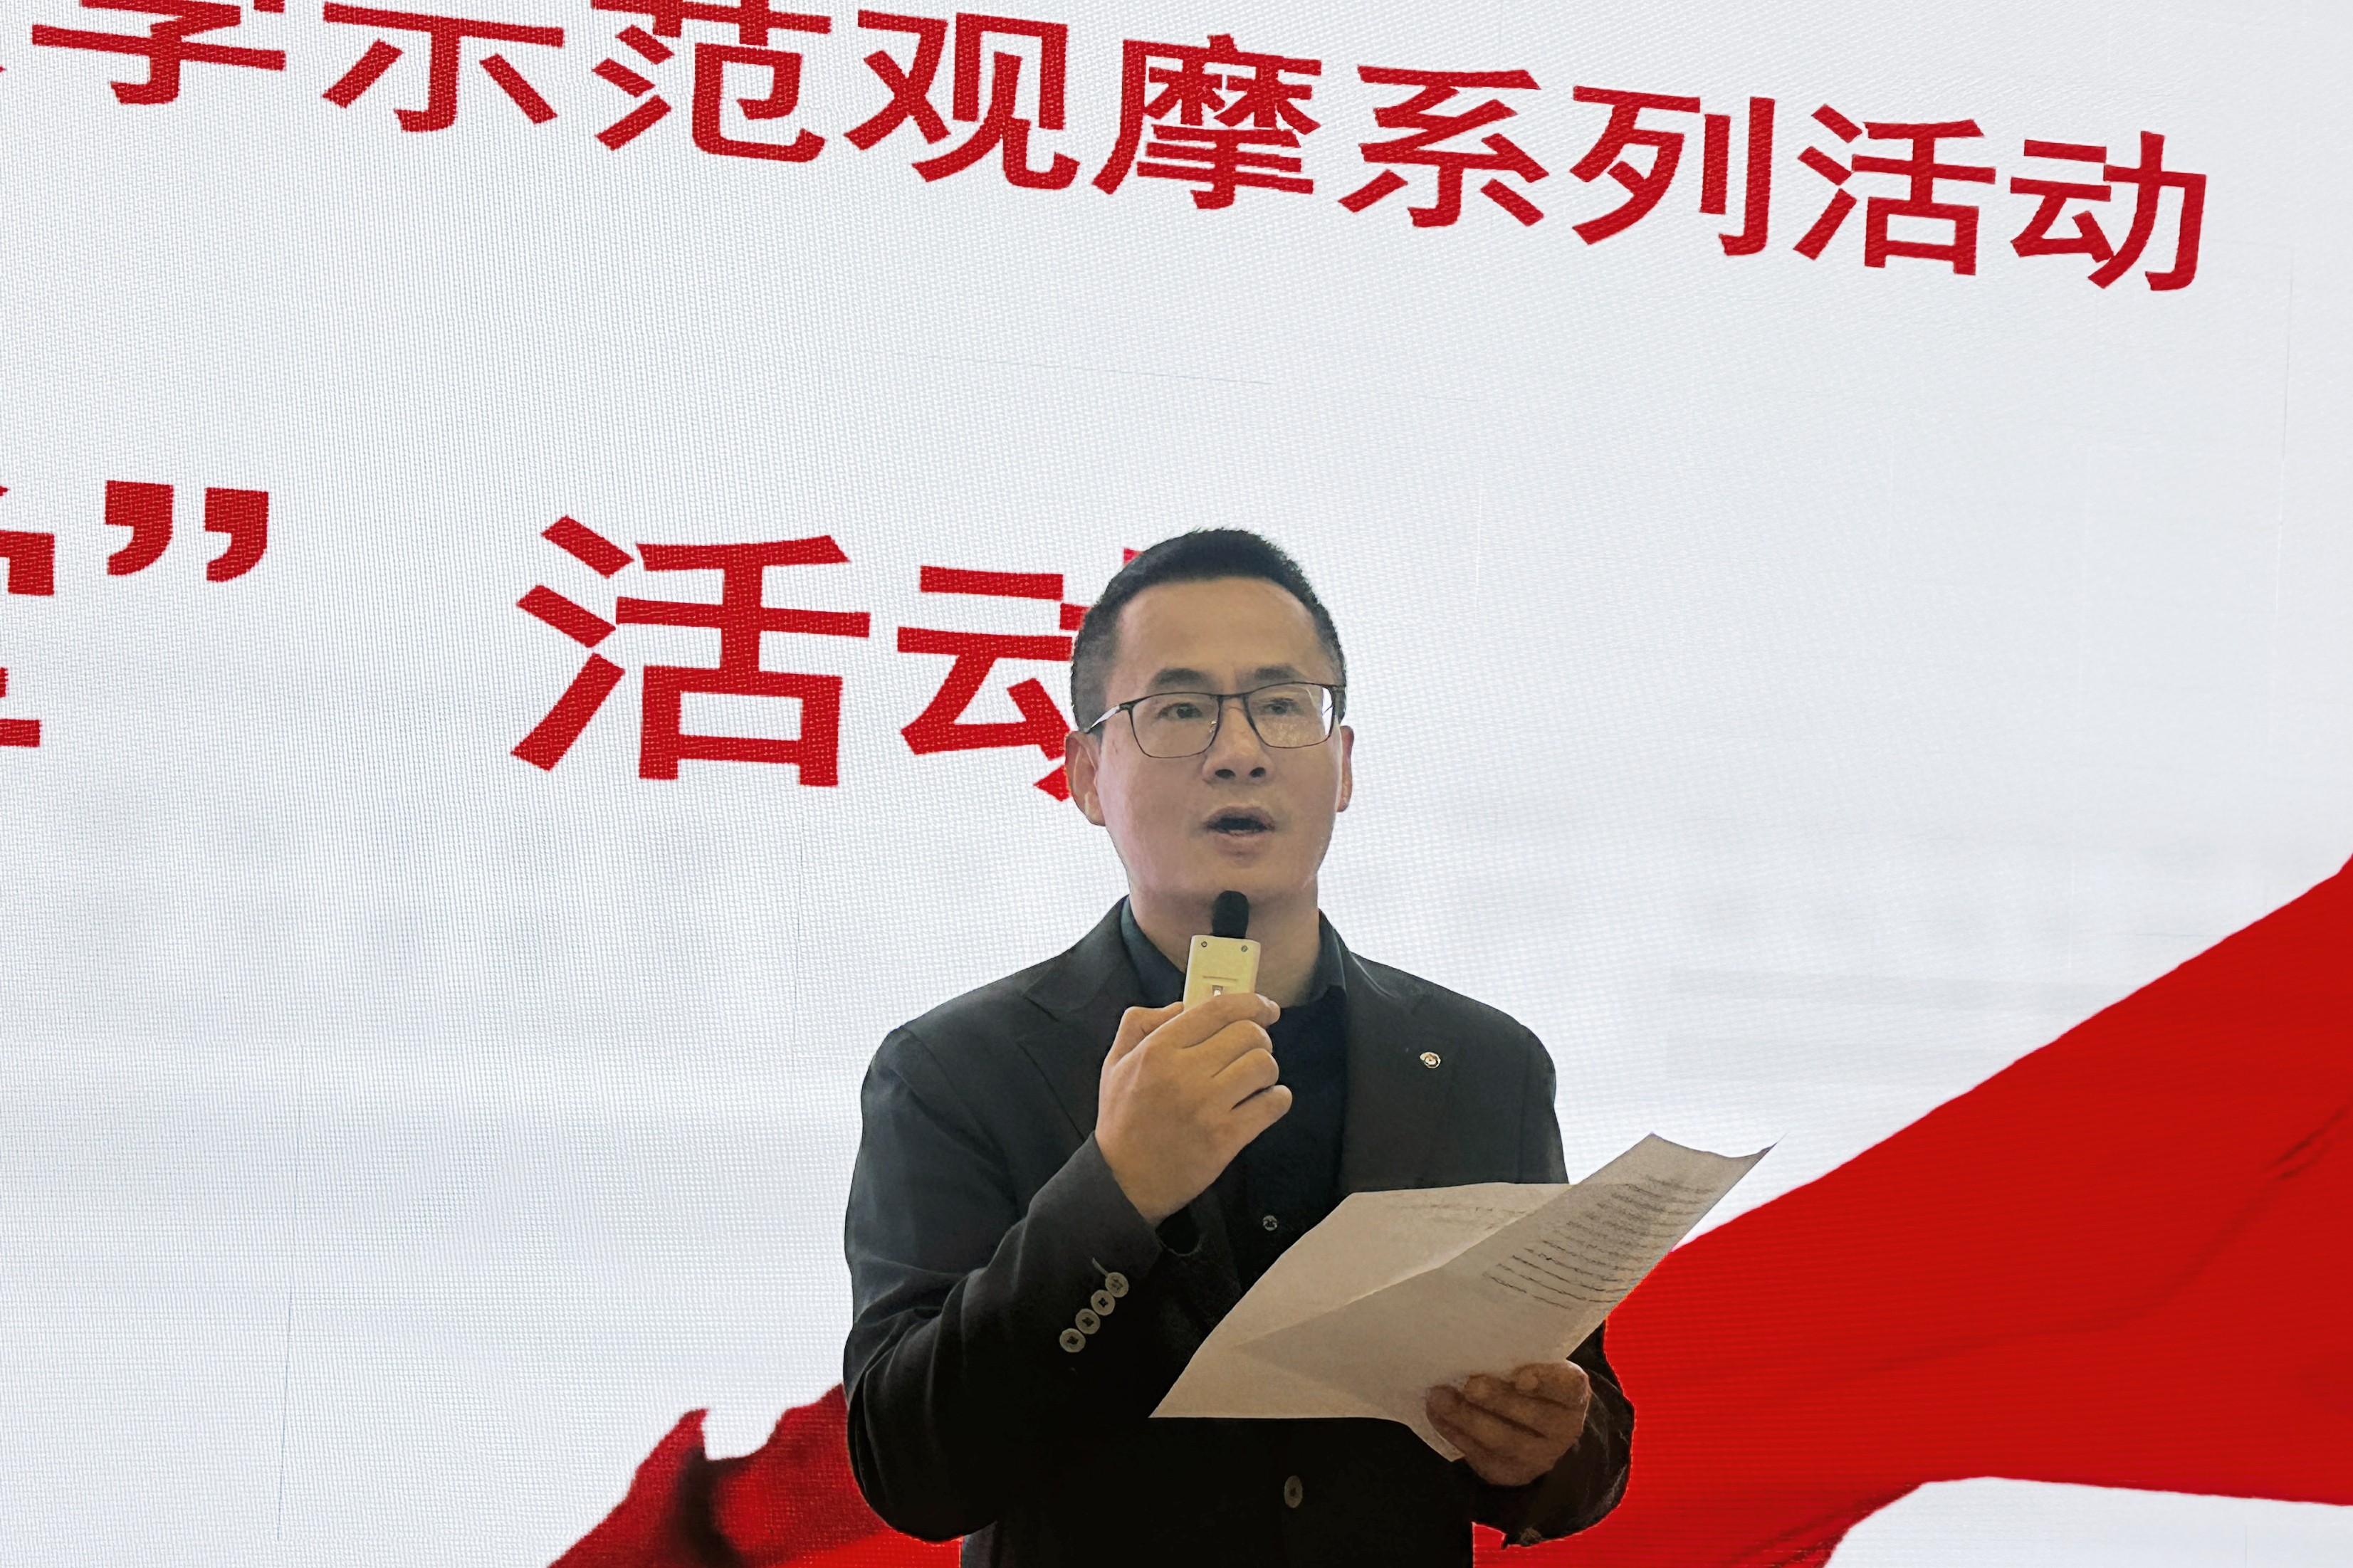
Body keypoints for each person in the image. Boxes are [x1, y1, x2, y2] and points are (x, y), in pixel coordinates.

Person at [842, 530, 1632, 1566]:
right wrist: (1115, 1191)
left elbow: (1586, 1447)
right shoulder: (954, 1069)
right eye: (1179, 711)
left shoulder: (1484, 1063)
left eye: (1282, 705)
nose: (1240, 751)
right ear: (1086, 775)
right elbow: (910, 1466)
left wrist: (1546, 1447)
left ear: (1342, 766)